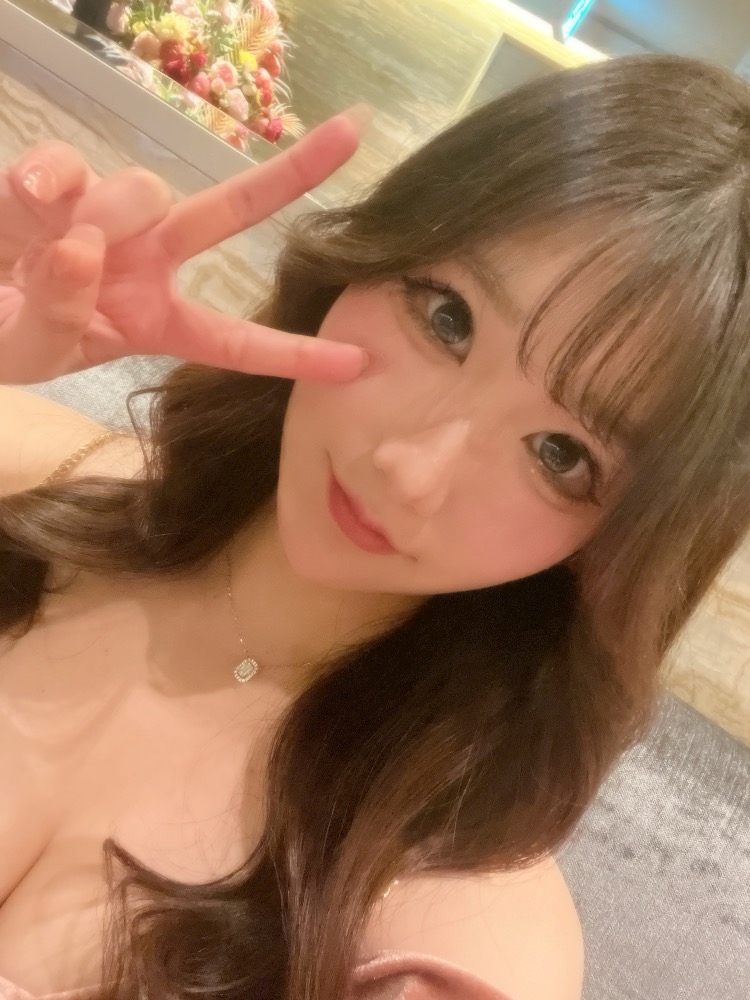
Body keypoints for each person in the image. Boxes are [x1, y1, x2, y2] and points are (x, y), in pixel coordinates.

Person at [0, 51, 749, 1000]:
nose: (411, 470)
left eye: (563, 454)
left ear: (620, 546)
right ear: (372, 257)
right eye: (448, 320)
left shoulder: (451, 924)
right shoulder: (42, 474)